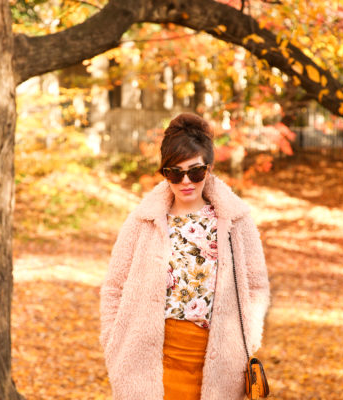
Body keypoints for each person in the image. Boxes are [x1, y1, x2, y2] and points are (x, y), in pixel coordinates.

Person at [99, 112, 271, 400]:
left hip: (217, 365)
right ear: (165, 174)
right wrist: (113, 342)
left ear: (210, 168)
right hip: (150, 361)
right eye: (175, 173)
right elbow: (114, 286)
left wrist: (247, 341)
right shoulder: (143, 221)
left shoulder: (235, 221)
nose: (186, 181)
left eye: (196, 171)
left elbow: (256, 286)